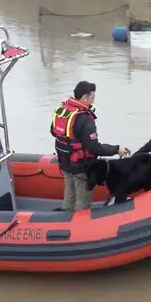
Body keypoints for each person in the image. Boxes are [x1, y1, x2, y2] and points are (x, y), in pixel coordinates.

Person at [50, 81, 129, 211]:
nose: (93, 102)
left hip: (64, 162)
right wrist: (116, 149)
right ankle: (79, 227)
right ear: (84, 97)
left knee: (69, 196)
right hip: (80, 167)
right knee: (83, 202)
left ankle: (66, 217)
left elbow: (53, 131)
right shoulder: (85, 118)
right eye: (92, 98)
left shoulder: (63, 111)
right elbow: (93, 147)